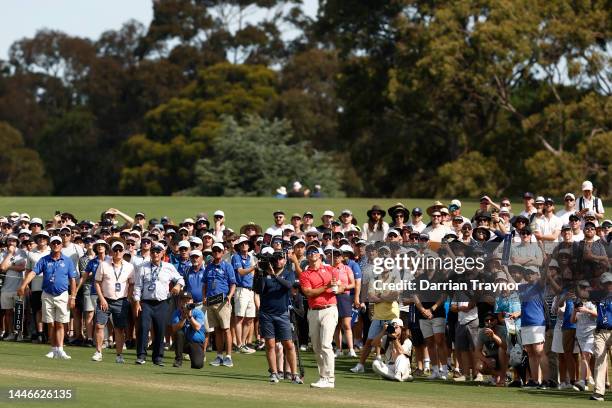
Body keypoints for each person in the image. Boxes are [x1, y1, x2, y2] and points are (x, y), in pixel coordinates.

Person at [17, 235, 77, 359]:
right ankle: (53, 348)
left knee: (60, 323)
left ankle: (60, 349)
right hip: (47, 294)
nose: (56, 245)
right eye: (53, 243)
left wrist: (73, 297)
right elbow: (33, 272)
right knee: (50, 324)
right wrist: (23, 285)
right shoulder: (44, 260)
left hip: (62, 295)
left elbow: (72, 280)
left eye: (58, 243)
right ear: (50, 245)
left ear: (61, 245)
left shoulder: (67, 261)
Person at [253, 248, 303, 384]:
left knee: (289, 344)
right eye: (277, 259)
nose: (279, 261)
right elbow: (258, 289)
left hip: (282, 314)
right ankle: (274, 373)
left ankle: (294, 374)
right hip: (266, 314)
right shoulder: (265, 274)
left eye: (281, 258)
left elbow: (289, 286)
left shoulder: (289, 273)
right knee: (270, 344)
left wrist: (274, 276)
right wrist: (260, 274)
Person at [133, 242, 185, 366]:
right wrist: (136, 301)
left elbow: (180, 279)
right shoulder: (143, 266)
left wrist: (178, 286)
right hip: (146, 302)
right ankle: (141, 356)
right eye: (153, 252)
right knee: (144, 328)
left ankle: (158, 357)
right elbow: (138, 286)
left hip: (162, 302)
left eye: (158, 252)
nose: (155, 254)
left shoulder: (168, 266)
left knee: (160, 329)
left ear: (162, 253)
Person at [300, 244, 341, 388]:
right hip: (313, 311)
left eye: (315, 251)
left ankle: (330, 379)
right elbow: (309, 293)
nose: (312, 254)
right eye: (309, 252)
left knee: (325, 344)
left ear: (320, 255)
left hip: (329, 309)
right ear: (307, 256)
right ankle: (322, 377)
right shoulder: (305, 274)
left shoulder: (330, 269)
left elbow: (341, 286)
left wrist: (336, 288)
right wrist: (327, 287)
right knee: (317, 347)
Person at [92, 240, 135, 363]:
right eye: (115, 250)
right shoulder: (104, 264)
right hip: (105, 299)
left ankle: (119, 355)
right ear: (111, 251)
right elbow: (97, 282)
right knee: (99, 325)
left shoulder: (129, 266)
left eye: (120, 250)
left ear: (123, 251)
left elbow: (131, 284)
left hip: (121, 301)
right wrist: (101, 298)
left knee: (119, 329)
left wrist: (128, 298)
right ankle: (98, 352)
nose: (117, 252)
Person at [203, 242, 236, 367]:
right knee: (216, 330)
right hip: (211, 301)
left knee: (226, 329)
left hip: (223, 301)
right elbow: (205, 284)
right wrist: (204, 296)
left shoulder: (227, 266)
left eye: (219, 250)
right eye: (214, 250)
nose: (216, 252)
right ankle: (219, 356)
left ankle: (228, 356)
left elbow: (233, 283)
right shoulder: (209, 267)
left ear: (222, 253)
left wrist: (229, 296)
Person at [231, 235, 257, 354]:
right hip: (241, 290)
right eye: (242, 244)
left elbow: (253, 273)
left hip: (250, 290)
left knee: (250, 318)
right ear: (239, 246)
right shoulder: (236, 257)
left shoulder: (251, 257)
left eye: (246, 243)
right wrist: (253, 267)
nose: (244, 245)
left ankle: (243, 343)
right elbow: (240, 272)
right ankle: (239, 344)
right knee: (239, 318)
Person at [25, 231, 51, 344]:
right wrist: (26, 285)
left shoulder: (52, 250)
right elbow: (28, 270)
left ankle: (49, 335)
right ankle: (40, 333)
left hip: (50, 285)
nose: (41, 239)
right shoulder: (31, 253)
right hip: (36, 285)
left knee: (48, 310)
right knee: (38, 310)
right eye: (39, 237)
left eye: (44, 237)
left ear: (47, 239)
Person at [1, 234, 28, 340]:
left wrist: (9, 266)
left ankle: (20, 333)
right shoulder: (3, 254)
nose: (11, 242)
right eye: (9, 240)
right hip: (6, 288)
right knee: (8, 312)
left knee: (20, 312)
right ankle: (11, 333)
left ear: (17, 242)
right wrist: (10, 254)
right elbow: (2, 268)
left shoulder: (23, 253)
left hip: (19, 287)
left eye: (13, 241)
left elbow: (23, 267)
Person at [590, 272, 612, 401]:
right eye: (606, 283)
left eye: (610, 283)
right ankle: (598, 392)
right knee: (599, 359)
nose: (608, 285)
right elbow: (582, 294)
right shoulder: (598, 295)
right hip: (600, 332)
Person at [172, 291, 206, 369]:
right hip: (184, 342)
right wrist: (183, 318)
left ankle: (196, 356)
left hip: (196, 342)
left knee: (197, 365)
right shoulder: (177, 312)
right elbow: (174, 329)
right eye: (183, 300)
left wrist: (190, 317)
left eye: (188, 300)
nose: (186, 302)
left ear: (192, 301)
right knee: (179, 333)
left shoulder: (198, 312)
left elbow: (197, 327)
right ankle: (178, 360)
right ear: (180, 302)